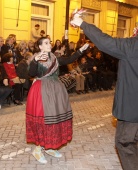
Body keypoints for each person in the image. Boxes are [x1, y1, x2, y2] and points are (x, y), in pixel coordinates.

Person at [70, 11, 138, 170]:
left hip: (133, 107)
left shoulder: (132, 46)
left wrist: (82, 23)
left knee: (125, 142)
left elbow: (104, 41)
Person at [26, 36, 89, 164]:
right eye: (46, 43)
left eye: (49, 43)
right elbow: (31, 73)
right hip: (42, 91)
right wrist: (35, 60)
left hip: (56, 90)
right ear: (40, 47)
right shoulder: (36, 58)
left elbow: (69, 59)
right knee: (45, 119)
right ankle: (38, 150)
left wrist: (81, 50)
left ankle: (49, 147)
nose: (49, 44)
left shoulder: (55, 58)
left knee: (56, 118)